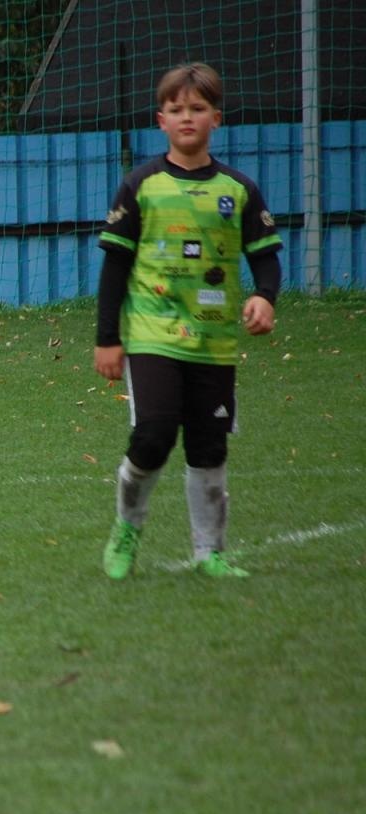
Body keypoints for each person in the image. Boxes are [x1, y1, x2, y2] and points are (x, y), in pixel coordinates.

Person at [95, 62, 282, 580]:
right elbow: (115, 266)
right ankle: (127, 530)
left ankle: (209, 552)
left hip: (215, 341)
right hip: (152, 336)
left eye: (197, 109)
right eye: (176, 110)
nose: (187, 118)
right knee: (152, 436)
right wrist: (107, 339)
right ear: (161, 120)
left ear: (215, 119)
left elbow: (265, 257)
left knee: (208, 445)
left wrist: (265, 297)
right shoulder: (140, 185)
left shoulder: (238, 190)